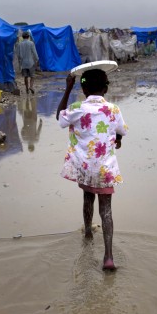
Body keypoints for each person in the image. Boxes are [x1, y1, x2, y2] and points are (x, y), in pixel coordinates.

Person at [55, 69, 128, 271]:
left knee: (88, 198)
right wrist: (118, 139)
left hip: (85, 167)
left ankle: (87, 232)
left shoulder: (77, 107)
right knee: (106, 210)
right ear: (106, 88)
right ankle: (109, 257)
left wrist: (67, 89)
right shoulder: (113, 109)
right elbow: (121, 131)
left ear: (83, 88)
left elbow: (59, 118)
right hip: (106, 169)